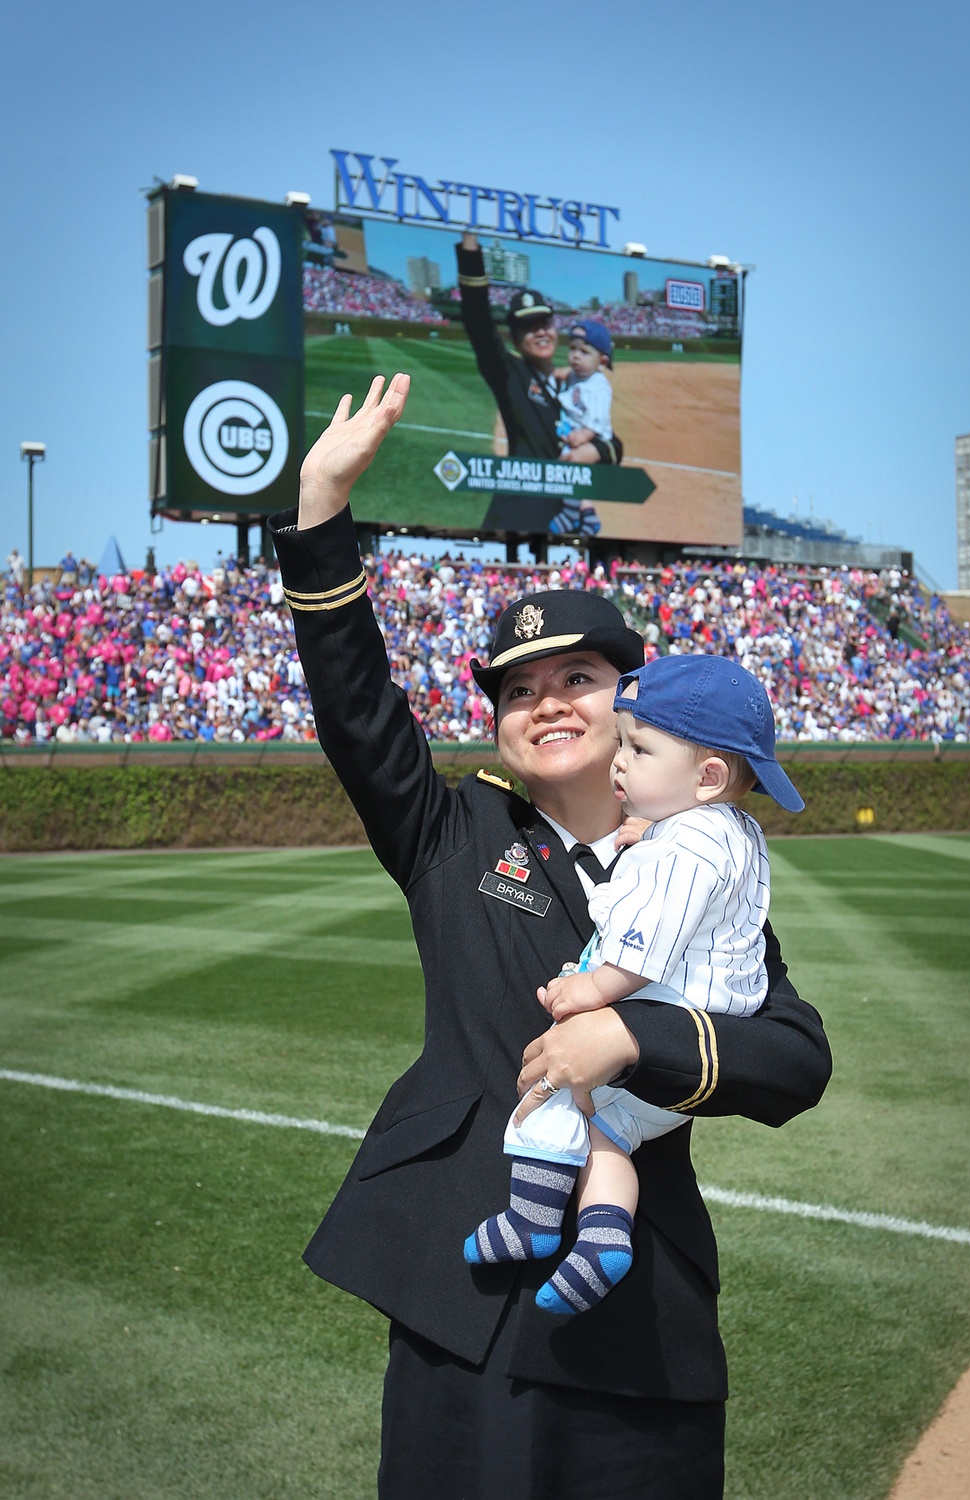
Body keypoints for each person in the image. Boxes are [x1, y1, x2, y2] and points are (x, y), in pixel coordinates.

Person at [268, 373, 832, 1500]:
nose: (548, 702)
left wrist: (632, 1042)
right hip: (463, 1298)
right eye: (517, 688)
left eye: (579, 676)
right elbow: (357, 706)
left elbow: (792, 1057)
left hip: (633, 1310)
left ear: (634, 701)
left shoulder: (703, 863)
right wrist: (321, 514)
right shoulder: (452, 831)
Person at [465, 654, 805, 1319]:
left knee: (554, 1104)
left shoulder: (681, 849)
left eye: (639, 748)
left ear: (708, 776)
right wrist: (651, 832)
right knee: (609, 1138)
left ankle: (532, 1219)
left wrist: (591, 992)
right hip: (709, 1023)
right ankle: (601, 1240)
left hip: (671, 1015)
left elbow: (643, 947)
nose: (620, 761)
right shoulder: (727, 828)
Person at [456, 233, 622, 537]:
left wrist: (595, 450)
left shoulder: (574, 383)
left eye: (544, 323)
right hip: (520, 514)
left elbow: (614, 445)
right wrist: (470, 250)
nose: (540, 332)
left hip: (565, 521)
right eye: (527, 327)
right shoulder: (511, 374)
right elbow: (478, 322)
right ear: (516, 338)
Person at [556, 319, 616, 466]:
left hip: (590, 438)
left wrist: (585, 434)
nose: (576, 355)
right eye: (572, 348)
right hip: (572, 432)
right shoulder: (575, 376)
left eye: (584, 352)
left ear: (601, 362)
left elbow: (597, 417)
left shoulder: (598, 385)